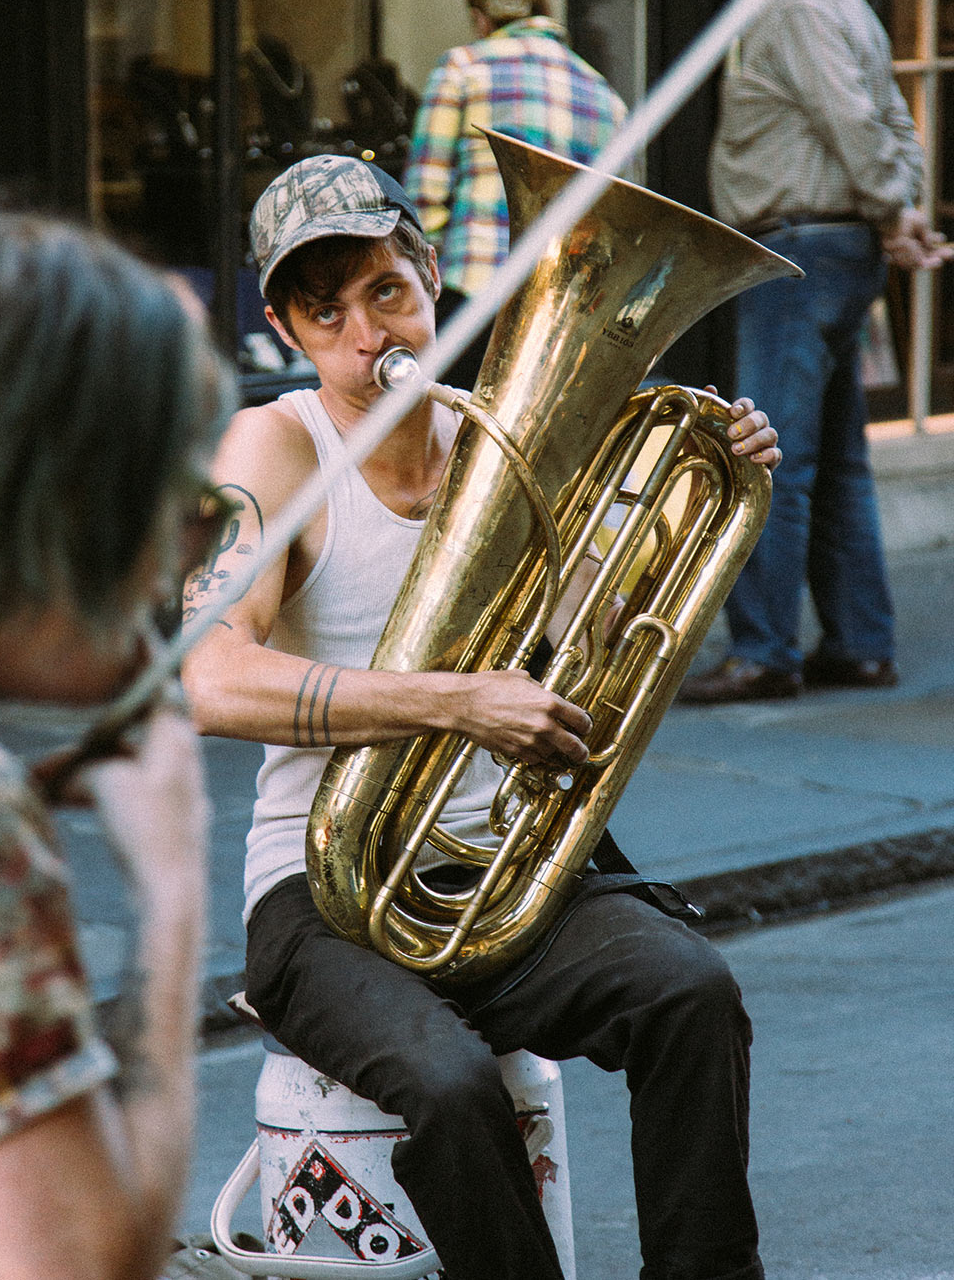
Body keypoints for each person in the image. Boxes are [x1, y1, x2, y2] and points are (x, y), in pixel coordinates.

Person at [182, 150, 783, 1280]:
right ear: (284, 327)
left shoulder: (501, 448)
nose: (368, 334)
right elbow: (208, 680)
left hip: (489, 873)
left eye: (386, 293)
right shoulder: (278, 445)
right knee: (450, 1087)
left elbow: (601, 643)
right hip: (317, 891)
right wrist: (454, 701)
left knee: (692, 994)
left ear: (430, 284)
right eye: (327, 311)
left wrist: (702, 490)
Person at [0, 206, 234, 1279]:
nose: (174, 559)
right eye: (169, 498)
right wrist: (171, 892)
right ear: (65, 503)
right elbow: (84, 1263)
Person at [680, 0, 954, 705]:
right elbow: (891, 117)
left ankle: (765, 651)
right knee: (838, 461)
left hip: (796, 252)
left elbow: (848, 116)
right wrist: (897, 207)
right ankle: (860, 643)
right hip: (835, 249)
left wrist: (892, 206)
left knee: (770, 459)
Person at [402, 0, 627, 389]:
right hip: (560, 316)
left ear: (480, 18)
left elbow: (424, 199)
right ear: (546, 6)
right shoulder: (605, 97)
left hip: (473, 296)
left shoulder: (462, 68)